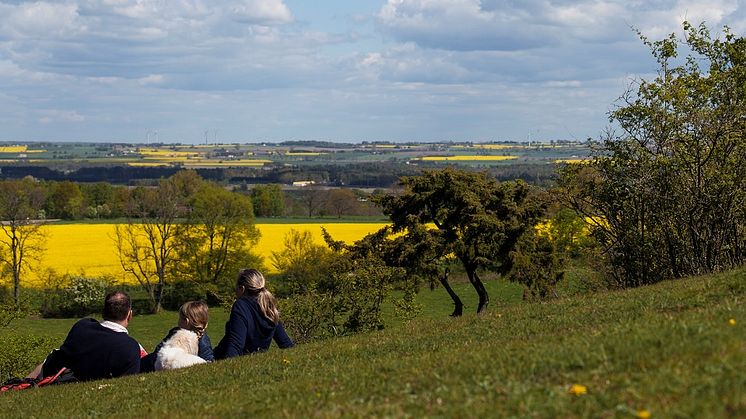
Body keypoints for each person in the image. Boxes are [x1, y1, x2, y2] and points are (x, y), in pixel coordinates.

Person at [28, 291, 143, 382]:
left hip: (54, 378)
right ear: (129, 315)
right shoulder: (130, 347)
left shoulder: (82, 327)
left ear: (103, 313)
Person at [214, 269, 294, 359]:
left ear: (242, 289)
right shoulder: (268, 307)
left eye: (236, 287)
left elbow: (236, 344)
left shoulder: (241, 305)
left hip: (221, 357)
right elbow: (285, 343)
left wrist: (227, 365)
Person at [140, 300, 214, 372]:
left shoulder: (176, 334)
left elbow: (159, 351)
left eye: (180, 318)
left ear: (186, 321)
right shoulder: (203, 340)